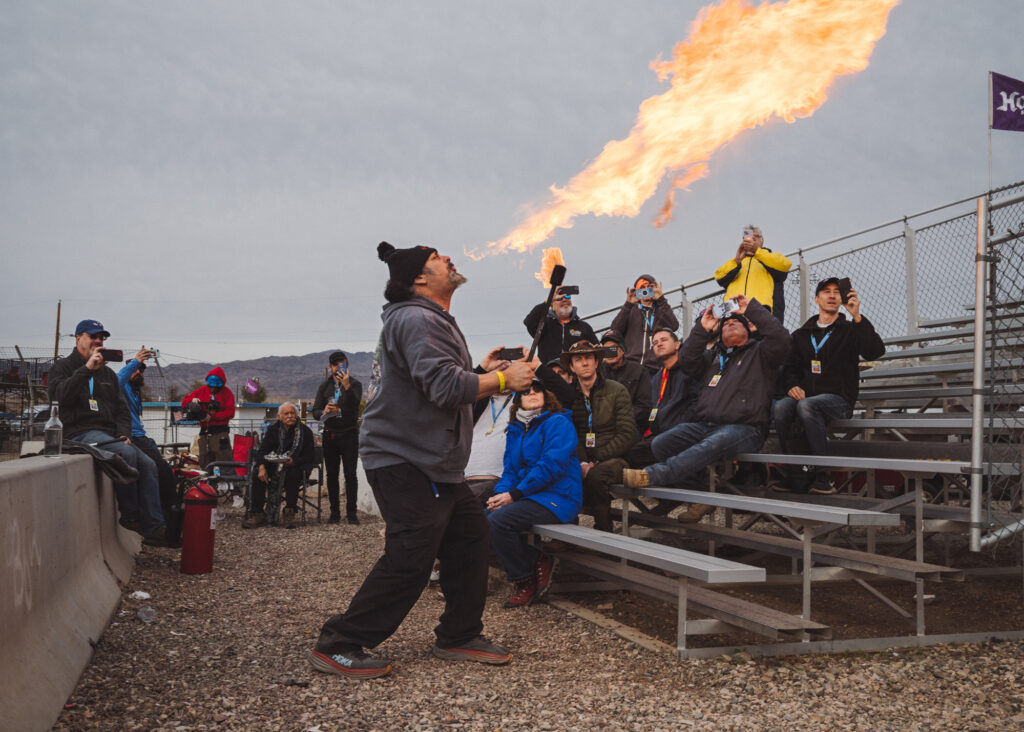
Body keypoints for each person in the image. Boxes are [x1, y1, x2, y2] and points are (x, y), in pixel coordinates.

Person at [310, 241, 535, 680]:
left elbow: (436, 386)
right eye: (437, 258)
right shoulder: (415, 317)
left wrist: (479, 371)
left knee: (470, 539)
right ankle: (339, 643)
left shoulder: (427, 320)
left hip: (436, 463)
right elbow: (445, 388)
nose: (449, 259)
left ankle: (459, 634)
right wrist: (503, 378)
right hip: (406, 458)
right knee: (411, 555)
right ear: (418, 278)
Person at [622, 297, 790, 522]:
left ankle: (652, 475)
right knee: (660, 443)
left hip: (745, 428)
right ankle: (703, 494)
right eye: (726, 323)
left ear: (749, 329)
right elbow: (687, 359)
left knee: (711, 444)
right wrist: (702, 328)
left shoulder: (761, 353)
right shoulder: (713, 357)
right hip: (706, 425)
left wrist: (752, 310)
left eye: (736, 322)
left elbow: (782, 339)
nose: (729, 324)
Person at [49, 319, 166, 544]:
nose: (98, 341)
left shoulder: (108, 375)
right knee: (126, 454)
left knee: (149, 464)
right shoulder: (63, 367)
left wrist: (125, 434)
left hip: (108, 434)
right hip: (78, 432)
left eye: (101, 337)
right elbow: (58, 398)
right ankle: (130, 515)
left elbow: (122, 411)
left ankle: (155, 525)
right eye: (93, 336)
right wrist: (86, 370)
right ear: (78, 338)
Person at [773, 278, 885, 494]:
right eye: (826, 291)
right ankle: (796, 473)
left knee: (807, 406)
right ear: (817, 299)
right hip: (806, 398)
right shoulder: (801, 335)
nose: (832, 295)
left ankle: (822, 476)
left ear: (842, 298)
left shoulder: (851, 329)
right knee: (780, 408)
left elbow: (875, 352)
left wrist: (857, 316)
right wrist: (793, 385)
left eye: (836, 292)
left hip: (838, 399)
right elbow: (790, 368)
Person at [486, 379, 581, 608]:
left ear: (546, 395)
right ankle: (536, 560)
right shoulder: (515, 430)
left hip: (558, 497)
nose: (532, 392)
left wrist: (515, 495)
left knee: (499, 521)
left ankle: (523, 579)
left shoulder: (558, 422)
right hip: (530, 496)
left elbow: (551, 465)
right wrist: (500, 495)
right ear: (517, 400)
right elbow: (509, 470)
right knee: (485, 515)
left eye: (538, 389)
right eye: (526, 391)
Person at [563, 340, 635, 532]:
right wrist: (582, 462)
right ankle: (566, 532)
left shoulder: (616, 390)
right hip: (585, 460)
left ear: (596, 363)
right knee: (561, 472)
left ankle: (604, 533)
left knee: (596, 476)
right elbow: (573, 435)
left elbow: (627, 435)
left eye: (588, 358)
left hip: (616, 459)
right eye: (578, 359)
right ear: (572, 367)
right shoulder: (572, 397)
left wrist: (595, 460)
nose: (584, 363)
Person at [118, 349, 182, 543]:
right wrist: (134, 363)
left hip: (142, 437)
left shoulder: (136, 391)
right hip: (133, 438)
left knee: (166, 476)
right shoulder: (122, 387)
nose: (139, 373)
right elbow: (118, 380)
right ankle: (157, 527)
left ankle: (167, 527)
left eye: (141, 370)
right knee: (159, 471)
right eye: (136, 370)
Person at [243, 402, 314, 529]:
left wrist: (294, 461)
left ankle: (289, 511)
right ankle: (258, 513)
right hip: (273, 465)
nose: (290, 416)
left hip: (295, 465)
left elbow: (310, 456)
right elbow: (262, 451)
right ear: (280, 417)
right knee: (257, 474)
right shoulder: (273, 430)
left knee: (293, 474)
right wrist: (261, 467)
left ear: (297, 416)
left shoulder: (305, 432)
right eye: (286, 413)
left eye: (292, 413)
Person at [312, 351, 363, 524]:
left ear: (347, 366)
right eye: (335, 365)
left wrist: (347, 387)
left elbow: (355, 405)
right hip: (330, 435)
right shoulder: (324, 387)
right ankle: (334, 513)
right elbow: (315, 412)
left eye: (342, 364)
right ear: (330, 367)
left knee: (350, 474)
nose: (338, 367)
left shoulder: (355, 384)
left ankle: (352, 514)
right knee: (332, 475)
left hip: (349, 434)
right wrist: (323, 411)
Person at [713, 226, 792, 322]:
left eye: (755, 237)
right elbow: (719, 276)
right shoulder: (737, 262)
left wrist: (757, 251)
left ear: (762, 241)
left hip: (762, 310)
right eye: (747, 238)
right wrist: (737, 261)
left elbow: (785, 265)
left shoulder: (769, 257)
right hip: (733, 312)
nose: (751, 240)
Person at [609, 275, 680, 371]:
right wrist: (628, 304)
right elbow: (615, 331)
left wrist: (661, 299)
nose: (646, 290)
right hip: (631, 367)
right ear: (636, 291)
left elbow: (674, 326)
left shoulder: (661, 309)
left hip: (655, 368)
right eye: (642, 288)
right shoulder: (630, 310)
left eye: (650, 287)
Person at [523, 286, 598, 365]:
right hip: (549, 373)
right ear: (552, 306)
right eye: (559, 299)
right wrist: (548, 300)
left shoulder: (584, 326)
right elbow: (529, 321)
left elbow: (596, 348)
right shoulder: (544, 325)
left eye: (567, 296)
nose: (564, 299)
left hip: (575, 374)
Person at [181, 367, 236, 467]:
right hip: (204, 433)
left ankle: (226, 481)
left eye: (215, 387)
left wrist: (212, 417)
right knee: (205, 462)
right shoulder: (201, 391)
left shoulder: (227, 393)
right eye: (210, 386)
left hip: (221, 433)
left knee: (224, 461)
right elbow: (184, 403)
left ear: (221, 385)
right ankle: (206, 481)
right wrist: (192, 401)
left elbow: (230, 413)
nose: (212, 389)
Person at [599, 329, 651, 432]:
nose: (609, 353)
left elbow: (643, 405)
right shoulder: (598, 371)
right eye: (606, 350)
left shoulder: (639, 371)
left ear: (622, 350)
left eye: (613, 349)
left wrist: (620, 420)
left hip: (631, 425)